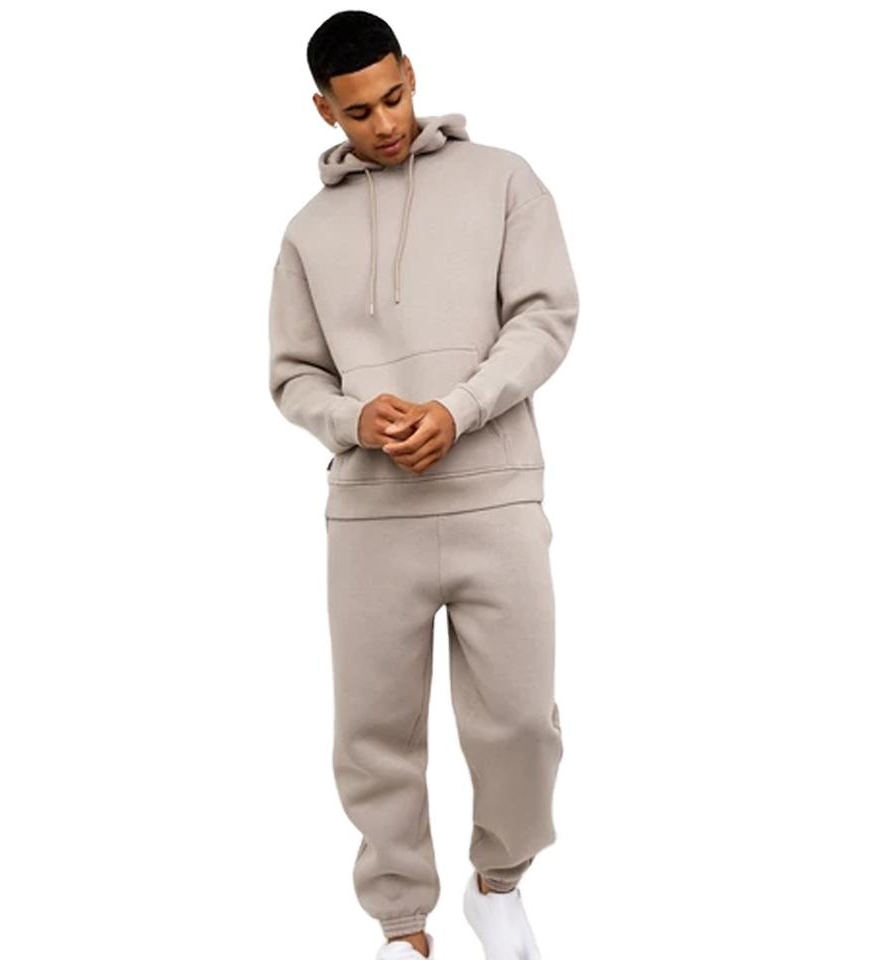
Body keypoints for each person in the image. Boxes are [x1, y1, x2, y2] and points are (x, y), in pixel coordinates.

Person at [268, 11, 579, 960]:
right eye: (359, 111)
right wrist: (354, 419)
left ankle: (499, 884)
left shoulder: (504, 181)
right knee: (373, 735)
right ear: (323, 110)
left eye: (394, 97)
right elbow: (293, 375)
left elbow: (544, 317)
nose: (386, 123)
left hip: (495, 495)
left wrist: (461, 407)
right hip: (372, 516)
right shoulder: (307, 232)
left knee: (520, 723)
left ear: (411, 72)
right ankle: (403, 930)